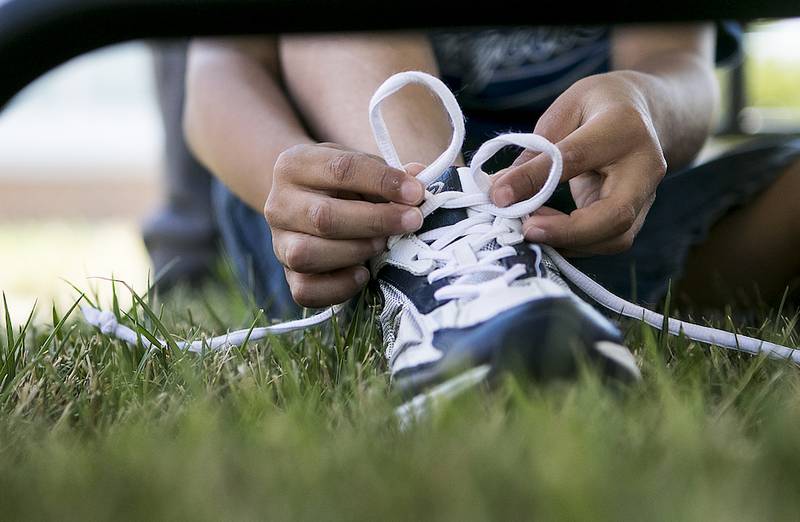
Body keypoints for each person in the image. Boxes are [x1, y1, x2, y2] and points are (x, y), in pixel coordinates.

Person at [182, 25, 800, 318]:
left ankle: (505, 287)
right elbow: (221, 69)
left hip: (579, 211)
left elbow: (675, 60)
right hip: (353, 226)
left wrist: (648, 105)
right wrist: (287, 186)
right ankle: (442, 257)